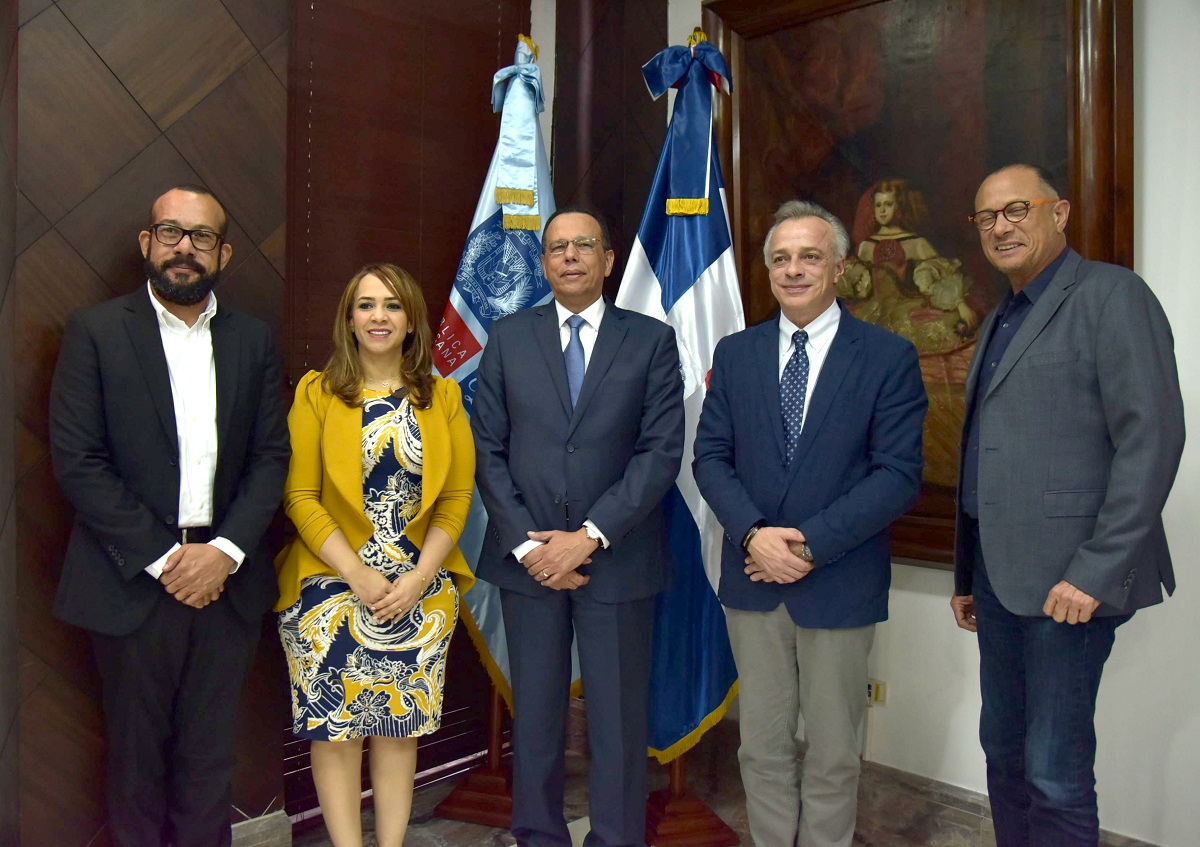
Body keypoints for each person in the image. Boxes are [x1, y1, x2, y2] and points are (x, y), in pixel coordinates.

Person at [48, 185, 291, 846]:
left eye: (202, 236)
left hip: (227, 582)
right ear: (147, 243)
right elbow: (78, 461)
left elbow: (272, 456)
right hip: (130, 582)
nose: (185, 247)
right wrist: (165, 559)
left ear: (225, 252)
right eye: (171, 232)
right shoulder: (96, 332)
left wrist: (225, 552)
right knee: (135, 764)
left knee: (210, 760)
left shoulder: (253, 340)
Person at [950, 164, 1185, 846]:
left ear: (1060, 213)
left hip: (1070, 583)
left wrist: (1098, 568)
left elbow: (1153, 436)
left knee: (1055, 772)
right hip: (998, 580)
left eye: (1016, 209)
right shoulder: (1001, 316)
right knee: (1005, 752)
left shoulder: (1113, 296)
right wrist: (968, 574)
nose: (1001, 226)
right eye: (987, 217)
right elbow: (988, 452)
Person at [694, 199, 927, 847]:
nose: (793, 269)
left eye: (809, 256)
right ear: (768, 268)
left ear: (840, 267)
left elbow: (898, 473)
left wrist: (808, 543)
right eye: (781, 257)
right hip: (752, 577)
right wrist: (753, 534)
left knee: (833, 754)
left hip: (839, 582)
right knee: (761, 748)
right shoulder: (735, 354)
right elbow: (710, 455)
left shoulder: (887, 356)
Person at [472, 206, 685, 847]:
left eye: (583, 245)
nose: (569, 256)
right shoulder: (509, 337)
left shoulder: (649, 340)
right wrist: (526, 543)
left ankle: (617, 838)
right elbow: (487, 447)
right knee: (535, 713)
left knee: (616, 718)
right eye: (557, 247)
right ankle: (538, 834)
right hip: (528, 557)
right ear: (543, 263)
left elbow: (660, 452)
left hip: (617, 557)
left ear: (607, 258)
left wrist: (589, 536)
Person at [275, 263, 475, 847]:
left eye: (391, 305)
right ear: (349, 319)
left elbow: (457, 499)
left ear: (411, 320)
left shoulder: (443, 396)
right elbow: (300, 496)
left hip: (418, 589)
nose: (378, 317)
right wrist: (358, 573)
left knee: (398, 730)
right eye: (365, 305)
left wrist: (418, 577)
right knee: (336, 735)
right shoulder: (316, 394)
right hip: (329, 585)